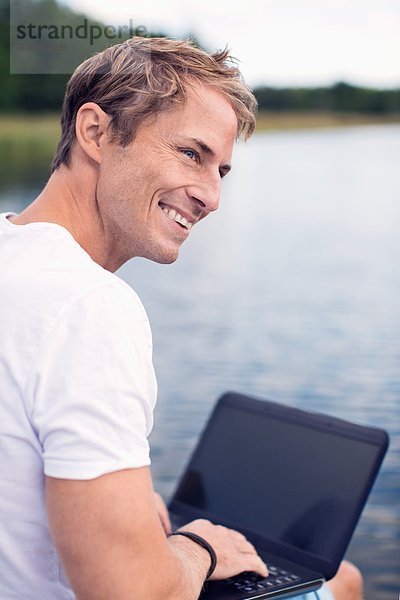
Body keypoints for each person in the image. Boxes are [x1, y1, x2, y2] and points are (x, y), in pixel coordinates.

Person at [0, 37, 363, 600]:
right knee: (342, 580)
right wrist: (201, 549)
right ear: (95, 132)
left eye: (222, 170)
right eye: (191, 154)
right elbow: (133, 594)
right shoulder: (88, 306)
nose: (213, 197)